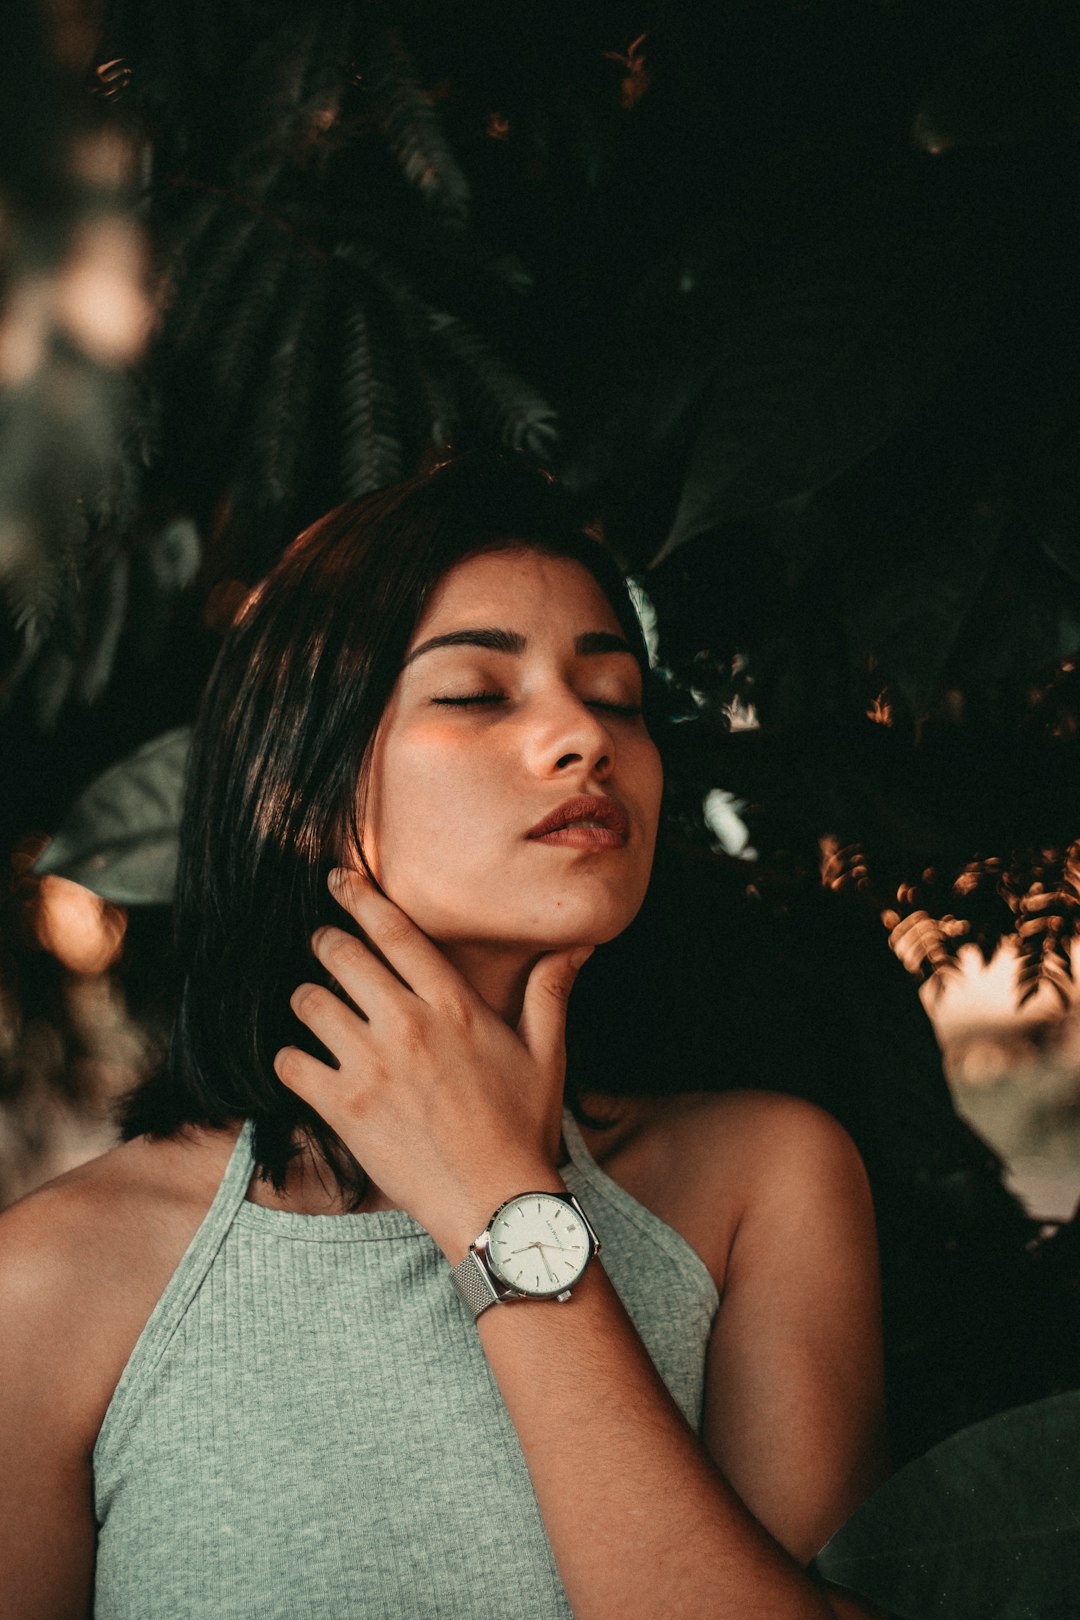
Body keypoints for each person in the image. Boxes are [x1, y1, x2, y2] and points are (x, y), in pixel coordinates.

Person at [0, 453, 885, 1618]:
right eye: (477, 692)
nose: (583, 736)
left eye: (617, 697)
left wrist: (497, 1199)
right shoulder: (53, 1284)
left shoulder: (758, 1184)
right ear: (302, 784)